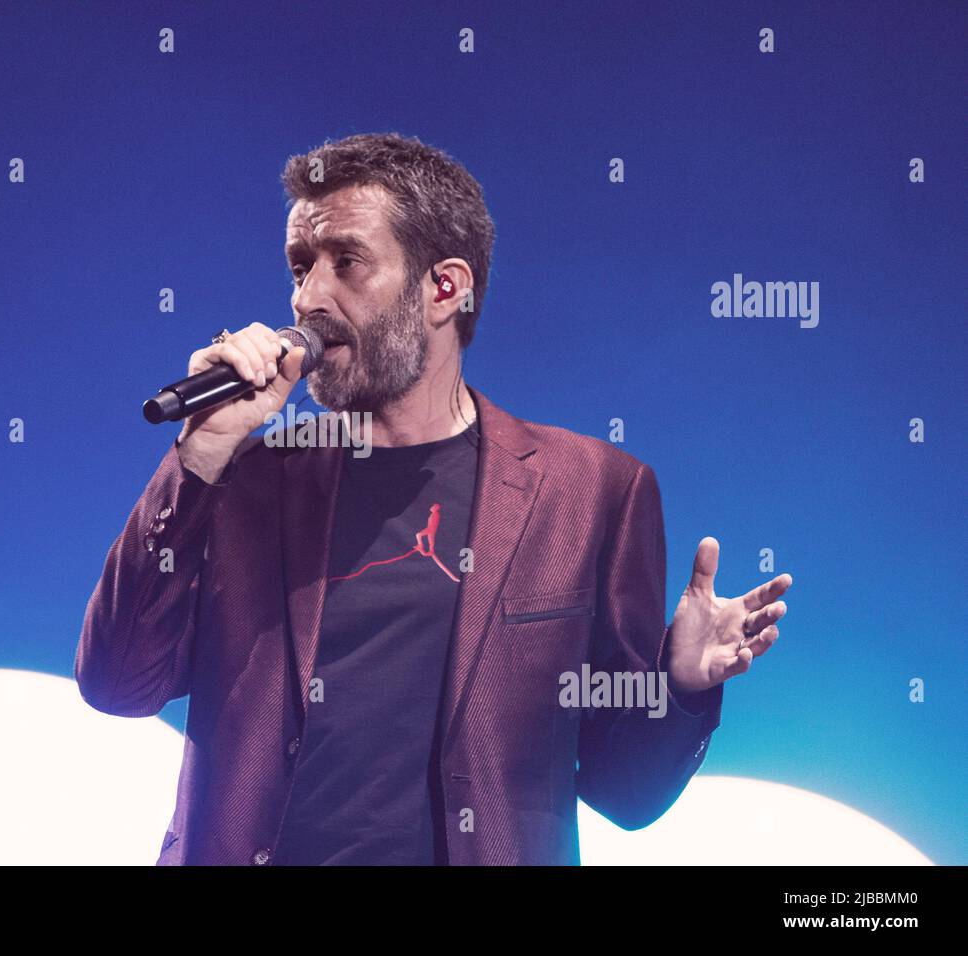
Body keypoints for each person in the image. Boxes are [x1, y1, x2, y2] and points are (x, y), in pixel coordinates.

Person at [74, 132, 792, 865]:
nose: (307, 298)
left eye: (346, 262)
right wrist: (199, 454)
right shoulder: (247, 479)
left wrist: (679, 687)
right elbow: (117, 683)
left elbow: (625, 792)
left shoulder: (590, 491)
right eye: (300, 266)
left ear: (444, 287)